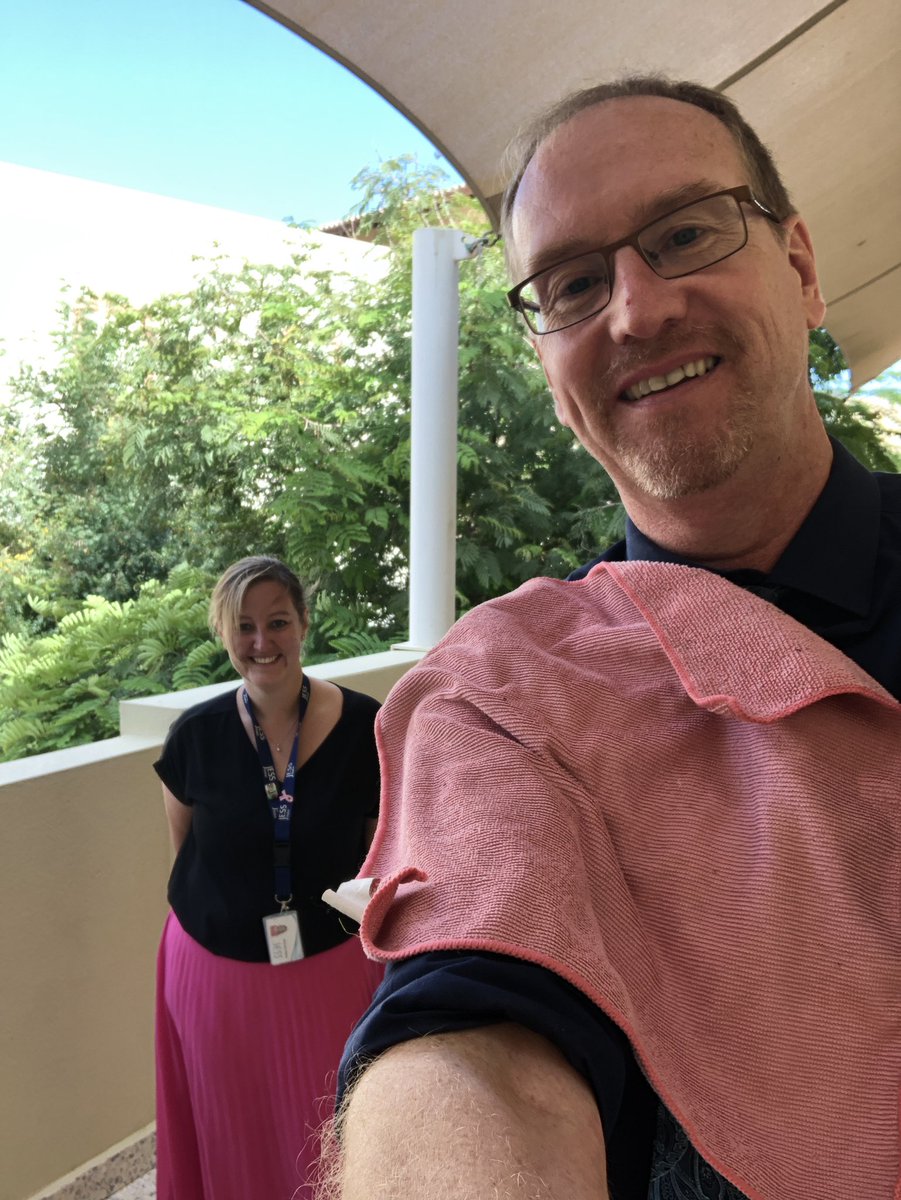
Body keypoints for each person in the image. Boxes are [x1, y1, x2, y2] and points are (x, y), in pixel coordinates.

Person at [324, 78, 901, 1200]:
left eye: (685, 233)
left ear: (799, 270)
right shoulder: (510, 693)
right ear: (547, 373)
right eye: (574, 284)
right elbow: (475, 1024)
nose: (636, 312)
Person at [154, 555, 383, 1199]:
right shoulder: (194, 737)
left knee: (332, 1133)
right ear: (226, 638)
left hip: (333, 966)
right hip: (213, 970)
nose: (262, 642)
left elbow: (379, 850)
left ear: (304, 624)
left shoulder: (367, 726)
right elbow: (187, 853)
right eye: (244, 627)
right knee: (232, 1129)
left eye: (277, 621)